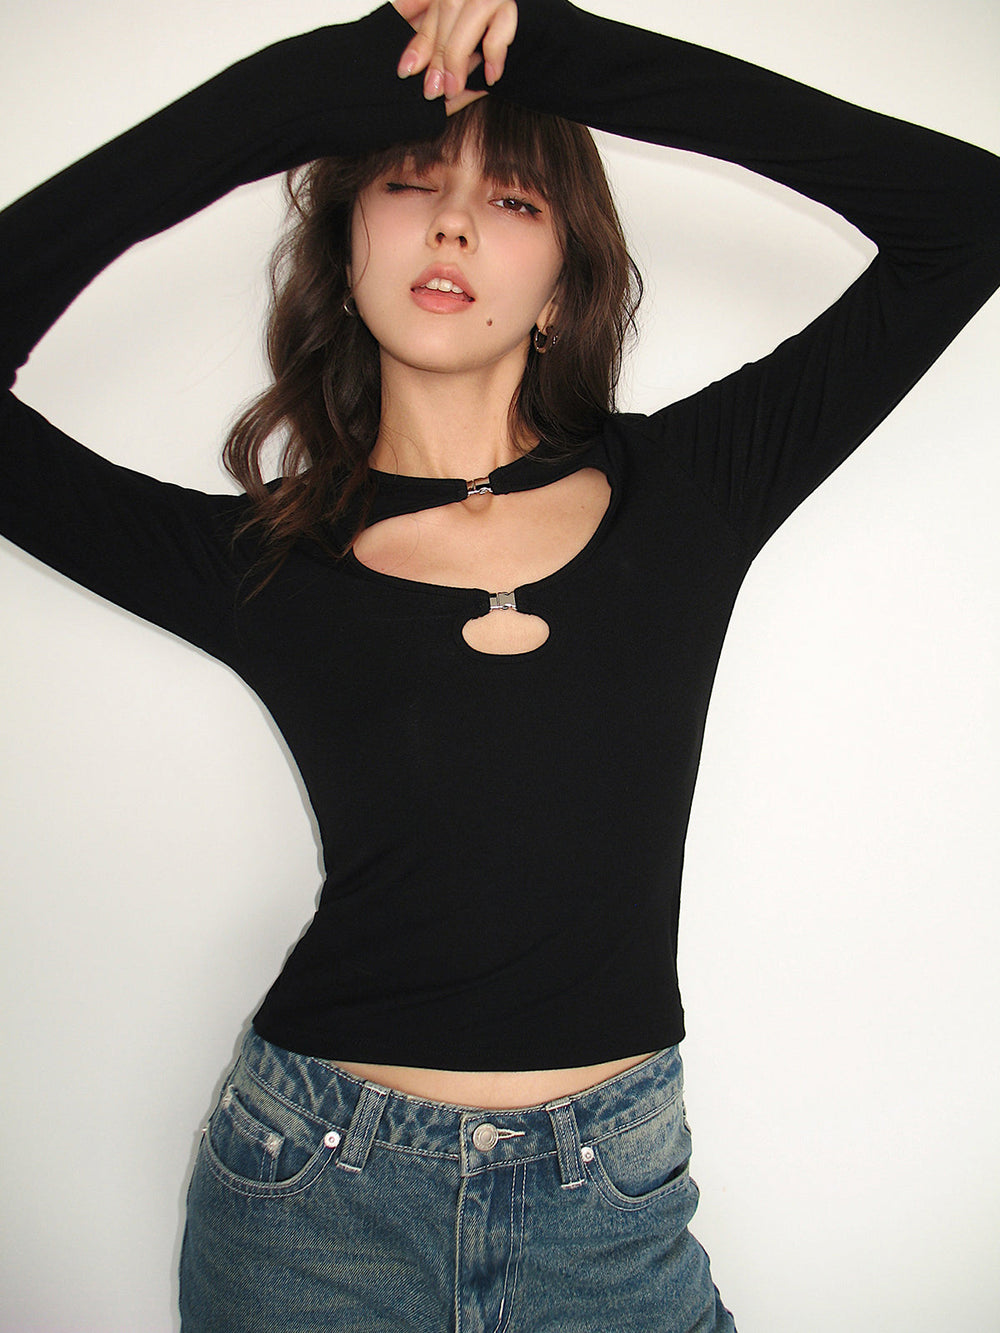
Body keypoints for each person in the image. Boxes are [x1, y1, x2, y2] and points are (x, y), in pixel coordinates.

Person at [1, 0, 997, 1329]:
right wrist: (319, 85)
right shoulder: (264, 557)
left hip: (614, 1208)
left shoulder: (691, 487)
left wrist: (548, 50)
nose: (454, 224)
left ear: (566, 285)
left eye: (514, 199)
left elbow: (965, 214)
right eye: (411, 184)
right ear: (343, 252)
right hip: (310, 1205)